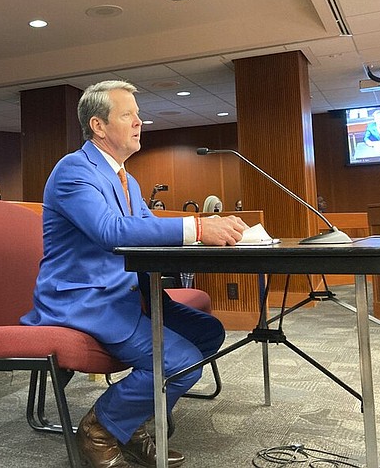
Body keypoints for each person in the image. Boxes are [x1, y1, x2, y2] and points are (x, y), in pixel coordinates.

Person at [21, 80, 247, 468]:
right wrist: (195, 229)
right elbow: (110, 231)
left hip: (126, 294)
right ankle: (100, 429)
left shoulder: (128, 178)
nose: (140, 122)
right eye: (128, 115)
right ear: (98, 125)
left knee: (208, 333)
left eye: (138, 115)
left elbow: (144, 233)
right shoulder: (74, 170)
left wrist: (213, 233)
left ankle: (130, 423)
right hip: (85, 299)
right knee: (178, 360)